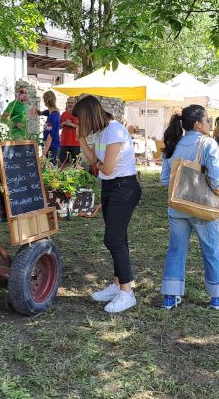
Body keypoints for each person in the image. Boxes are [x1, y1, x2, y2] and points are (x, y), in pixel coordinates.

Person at [73, 95, 141, 313]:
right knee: (118, 238)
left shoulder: (114, 130)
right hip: (111, 187)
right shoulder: (102, 131)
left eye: (79, 120)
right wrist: (82, 140)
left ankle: (127, 293)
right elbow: (94, 163)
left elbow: (107, 168)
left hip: (124, 188)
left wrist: (96, 163)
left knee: (113, 239)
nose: (78, 124)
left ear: (88, 116)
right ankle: (117, 284)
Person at [159, 104, 219, 310]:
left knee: (175, 250)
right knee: (211, 250)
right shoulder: (208, 144)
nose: (210, 124)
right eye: (207, 120)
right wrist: (215, 190)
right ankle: (217, 297)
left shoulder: (174, 143)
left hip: (177, 205)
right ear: (198, 124)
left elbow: (165, 179)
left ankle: (170, 297)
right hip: (202, 207)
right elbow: (216, 179)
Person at [58, 97, 80, 167]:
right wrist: (64, 123)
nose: (70, 104)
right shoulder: (64, 114)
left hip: (75, 143)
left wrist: (71, 124)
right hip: (64, 142)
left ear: (75, 104)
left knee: (76, 164)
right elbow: (58, 127)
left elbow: (82, 128)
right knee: (63, 163)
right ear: (66, 104)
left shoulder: (79, 114)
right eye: (68, 103)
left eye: (71, 103)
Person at [40, 91, 60, 163]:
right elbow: (45, 112)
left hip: (51, 148)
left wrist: (44, 154)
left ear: (45, 102)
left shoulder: (53, 117)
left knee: (51, 171)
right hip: (49, 146)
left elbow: (50, 137)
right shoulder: (52, 113)